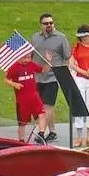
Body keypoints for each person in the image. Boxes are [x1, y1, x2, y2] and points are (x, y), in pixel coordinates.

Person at [29, 12, 71, 142]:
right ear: (40, 25)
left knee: (47, 106)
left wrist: (63, 73)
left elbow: (67, 57)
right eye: (46, 23)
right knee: (41, 107)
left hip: (53, 78)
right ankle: (52, 132)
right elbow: (30, 56)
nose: (49, 25)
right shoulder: (35, 38)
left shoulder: (61, 37)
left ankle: (41, 133)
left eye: (51, 23)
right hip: (38, 77)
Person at [4, 49, 53, 144]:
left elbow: (44, 70)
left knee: (42, 114)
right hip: (22, 99)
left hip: (34, 96)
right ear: (18, 57)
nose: (27, 60)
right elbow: (6, 79)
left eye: (29, 57)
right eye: (24, 57)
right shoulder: (14, 67)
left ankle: (41, 134)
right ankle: (21, 141)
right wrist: (14, 84)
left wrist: (49, 61)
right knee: (22, 122)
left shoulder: (32, 65)